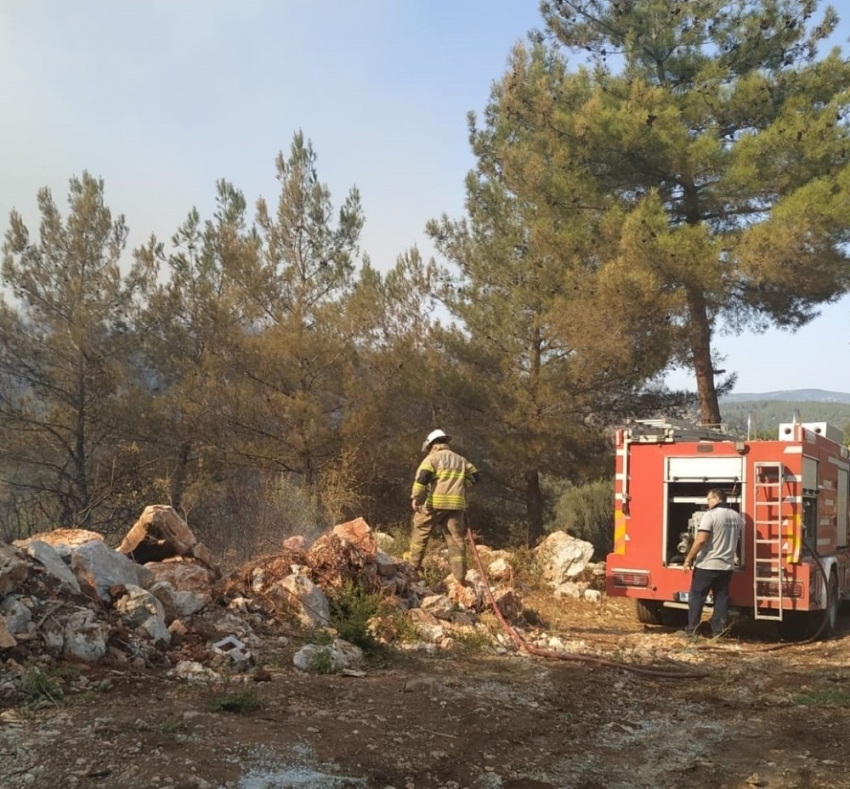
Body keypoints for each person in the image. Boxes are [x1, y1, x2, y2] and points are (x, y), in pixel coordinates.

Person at [408, 429, 479, 582]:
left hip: (435, 503)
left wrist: (416, 498)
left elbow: (422, 479)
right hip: (456, 506)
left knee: (420, 529)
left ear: (432, 445)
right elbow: (475, 476)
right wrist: (462, 485)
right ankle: (460, 577)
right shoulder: (461, 460)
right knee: (456, 539)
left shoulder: (431, 459)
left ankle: (412, 568)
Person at [681, 487, 743, 637]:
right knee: (721, 598)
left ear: (716, 498)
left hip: (707, 565)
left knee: (697, 596)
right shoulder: (737, 517)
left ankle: (692, 630)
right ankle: (718, 631)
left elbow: (701, 539)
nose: (707, 503)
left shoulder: (711, 515)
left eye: (708, 499)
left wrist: (688, 558)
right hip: (726, 566)